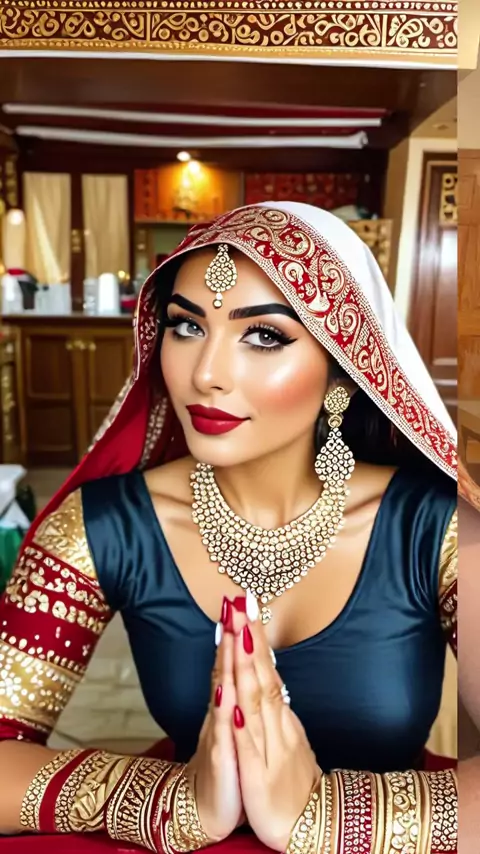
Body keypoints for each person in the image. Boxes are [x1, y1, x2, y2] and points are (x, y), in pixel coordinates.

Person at [0, 202, 459, 853]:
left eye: (263, 335)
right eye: (187, 326)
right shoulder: (104, 527)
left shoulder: (438, 528)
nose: (206, 374)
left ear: (341, 371)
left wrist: (322, 816)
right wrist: (167, 801)